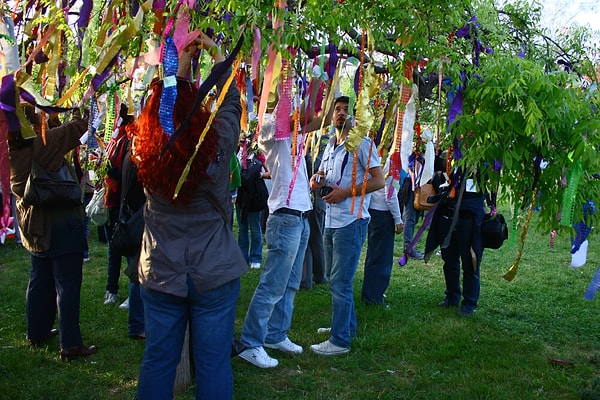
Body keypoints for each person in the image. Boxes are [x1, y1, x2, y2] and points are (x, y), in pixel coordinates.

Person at [132, 33, 246, 399]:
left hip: (161, 269)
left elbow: (158, 109)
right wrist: (215, 54)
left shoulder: (145, 152)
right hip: (213, 269)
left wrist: (176, 70)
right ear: (197, 111)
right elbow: (230, 101)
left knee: (158, 360)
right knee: (213, 364)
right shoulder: (215, 144)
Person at [238, 76, 323, 368]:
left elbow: (315, 119)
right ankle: (251, 342)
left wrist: (320, 80)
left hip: (300, 216)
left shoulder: (293, 130)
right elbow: (303, 116)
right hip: (284, 219)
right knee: (272, 285)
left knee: (288, 285)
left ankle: (275, 334)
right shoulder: (270, 128)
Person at [8, 107, 97, 361]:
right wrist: (80, 104)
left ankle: (37, 331)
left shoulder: (14, 146)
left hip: (32, 224)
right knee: (67, 284)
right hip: (58, 224)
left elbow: (58, 135)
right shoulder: (44, 141)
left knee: (39, 279)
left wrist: (50, 116)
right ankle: (70, 344)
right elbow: (77, 127)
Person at [309, 95, 384, 355]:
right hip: (330, 219)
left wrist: (347, 193)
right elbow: (326, 175)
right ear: (332, 116)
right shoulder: (330, 145)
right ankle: (345, 326)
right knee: (337, 280)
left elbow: (378, 181)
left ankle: (340, 341)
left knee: (340, 282)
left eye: (345, 111)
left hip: (351, 221)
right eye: (337, 110)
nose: (341, 114)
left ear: (354, 117)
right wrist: (317, 178)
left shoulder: (362, 144)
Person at [424, 168, 485, 317]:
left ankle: (469, 302)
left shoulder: (482, 161)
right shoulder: (451, 157)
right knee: (449, 259)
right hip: (447, 214)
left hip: (468, 218)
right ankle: (452, 296)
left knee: (470, 262)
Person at [102, 106, 134, 305]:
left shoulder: (130, 140)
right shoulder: (116, 139)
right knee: (113, 248)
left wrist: (112, 172)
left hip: (127, 202)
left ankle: (134, 293)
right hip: (113, 200)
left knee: (131, 249)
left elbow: (129, 172)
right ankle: (111, 289)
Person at [361, 157, 403, 305]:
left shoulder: (378, 155)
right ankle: (374, 296)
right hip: (383, 214)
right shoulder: (393, 161)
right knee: (382, 258)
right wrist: (398, 220)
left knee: (373, 256)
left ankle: (370, 292)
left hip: (373, 210)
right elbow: (390, 195)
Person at [300, 129, 329, 289]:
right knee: (312, 239)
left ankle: (319, 274)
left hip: (315, 201)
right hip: (313, 201)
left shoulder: (317, 152)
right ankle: (314, 274)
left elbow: (317, 172)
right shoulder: (312, 151)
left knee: (315, 239)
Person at [235, 143, 267, 269]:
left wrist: (259, 175)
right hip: (240, 195)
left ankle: (255, 257)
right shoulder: (237, 151)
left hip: (254, 196)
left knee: (254, 227)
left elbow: (269, 172)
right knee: (242, 227)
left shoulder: (258, 153)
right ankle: (242, 257)